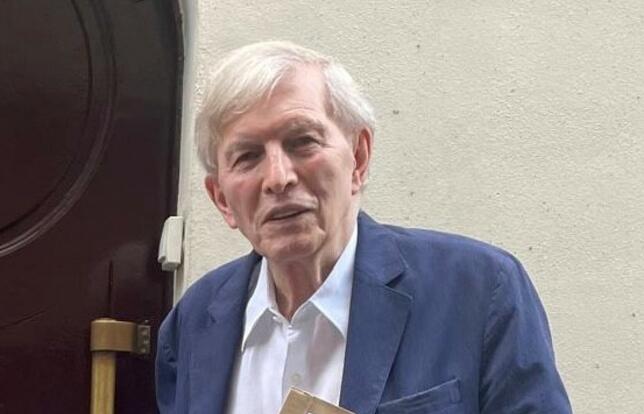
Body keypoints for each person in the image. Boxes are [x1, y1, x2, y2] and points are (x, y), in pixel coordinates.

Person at [156, 41, 571, 414]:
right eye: (247, 156)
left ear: (358, 158)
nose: (278, 178)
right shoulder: (192, 322)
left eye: (302, 142)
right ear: (221, 199)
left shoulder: (478, 290)